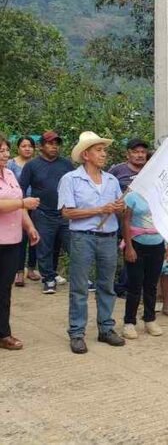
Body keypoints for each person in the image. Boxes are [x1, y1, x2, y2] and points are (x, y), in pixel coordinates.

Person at [57, 131, 126, 354]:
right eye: (99, 150)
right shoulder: (70, 179)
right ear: (86, 154)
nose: (104, 154)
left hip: (108, 238)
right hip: (82, 238)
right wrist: (100, 209)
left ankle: (106, 328)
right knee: (79, 287)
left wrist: (119, 208)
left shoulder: (112, 180)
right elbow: (67, 213)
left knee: (107, 285)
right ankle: (77, 333)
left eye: (104, 150)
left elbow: (119, 208)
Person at [19, 130, 74, 294]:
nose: (54, 146)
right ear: (41, 146)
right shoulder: (32, 165)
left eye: (56, 143)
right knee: (45, 248)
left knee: (73, 246)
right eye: (50, 143)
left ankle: (81, 277)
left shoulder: (66, 164)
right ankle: (48, 279)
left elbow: (74, 186)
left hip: (64, 213)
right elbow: (21, 189)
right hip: (42, 213)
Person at [0, 136, 40, 350]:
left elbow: (19, 206)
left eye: (6, 150)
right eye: (1, 151)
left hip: (12, 240)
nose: (6, 154)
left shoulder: (9, 174)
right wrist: (22, 202)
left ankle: (3, 333)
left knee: (5, 289)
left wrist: (29, 227)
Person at [122, 192, 168, 339]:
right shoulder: (132, 197)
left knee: (151, 285)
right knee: (135, 285)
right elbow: (126, 222)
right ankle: (129, 322)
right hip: (137, 243)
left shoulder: (161, 196)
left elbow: (166, 220)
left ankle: (150, 319)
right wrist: (129, 247)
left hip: (157, 244)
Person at [109, 137, 150, 299]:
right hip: (118, 221)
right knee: (116, 255)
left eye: (143, 152)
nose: (140, 155)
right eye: (136, 152)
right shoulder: (117, 171)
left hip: (142, 223)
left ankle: (128, 286)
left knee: (135, 254)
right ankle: (112, 285)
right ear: (128, 154)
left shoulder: (151, 170)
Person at [7, 136, 38, 287]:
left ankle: (31, 269)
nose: (27, 149)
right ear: (18, 148)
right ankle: (19, 271)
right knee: (21, 239)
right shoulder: (11, 165)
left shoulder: (37, 164)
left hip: (36, 206)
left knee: (34, 236)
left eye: (30, 146)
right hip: (17, 206)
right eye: (24, 146)